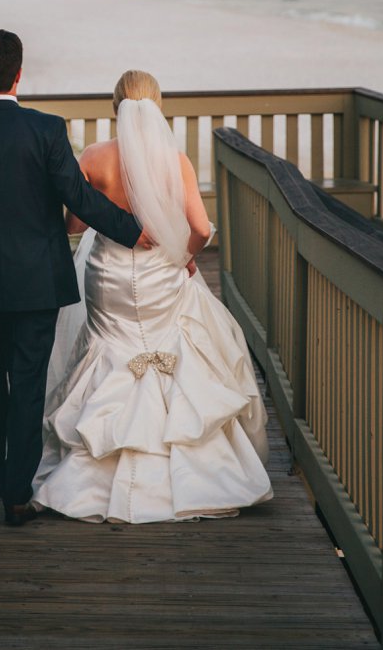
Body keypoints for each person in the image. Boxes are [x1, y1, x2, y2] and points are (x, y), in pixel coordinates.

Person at [0, 30, 150, 527]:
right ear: (19, 74)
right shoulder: (47, 130)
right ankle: (16, 491)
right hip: (37, 281)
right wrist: (133, 230)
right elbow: (80, 198)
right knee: (27, 381)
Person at [32, 69, 273, 523]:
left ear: (115, 106)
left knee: (111, 347)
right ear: (157, 107)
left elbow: (74, 225)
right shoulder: (174, 160)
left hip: (109, 273)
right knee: (172, 343)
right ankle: (193, 467)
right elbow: (201, 229)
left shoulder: (94, 156)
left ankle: (94, 461)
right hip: (162, 273)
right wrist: (183, 257)